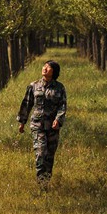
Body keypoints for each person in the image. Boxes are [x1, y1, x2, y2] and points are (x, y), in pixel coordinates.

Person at [17, 60, 67, 190]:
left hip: (52, 127)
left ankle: (46, 182)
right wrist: (22, 122)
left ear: (54, 72)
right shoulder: (33, 86)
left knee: (49, 156)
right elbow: (27, 104)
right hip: (37, 125)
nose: (45, 69)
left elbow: (62, 105)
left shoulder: (59, 88)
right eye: (44, 66)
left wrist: (58, 119)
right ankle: (41, 184)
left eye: (49, 67)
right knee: (40, 153)